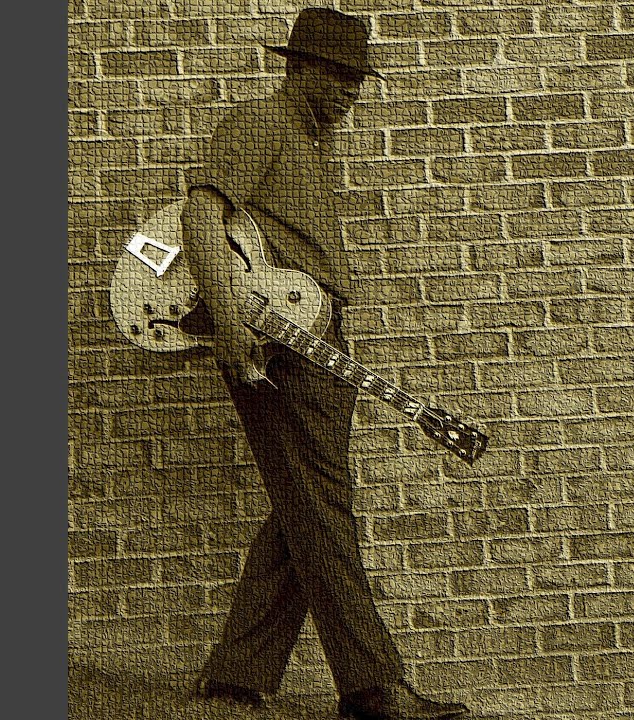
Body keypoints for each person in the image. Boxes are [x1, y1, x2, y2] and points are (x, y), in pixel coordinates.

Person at [180, 9, 470, 720]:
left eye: (357, 80)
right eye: (338, 77)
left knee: (303, 507)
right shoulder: (259, 123)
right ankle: (372, 686)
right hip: (276, 345)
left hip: (317, 339)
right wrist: (229, 324)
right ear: (298, 67)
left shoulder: (308, 140)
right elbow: (199, 217)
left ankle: (237, 675)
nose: (350, 92)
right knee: (322, 505)